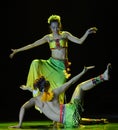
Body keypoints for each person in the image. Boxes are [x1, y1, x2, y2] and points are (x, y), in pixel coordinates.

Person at [9, 14, 98, 107]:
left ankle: (57, 116)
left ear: (60, 25)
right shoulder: (48, 37)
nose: (55, 29)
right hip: (51, 64)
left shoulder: (65, 34)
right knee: (35, 63)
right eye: (53, 27)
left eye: (57, 27)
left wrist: (87, 33)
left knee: (60, 88)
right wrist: (17, 50)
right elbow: (32, 45)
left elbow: (80, 41)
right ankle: (32, 87)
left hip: (62, 66)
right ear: (50, 27)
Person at [9, 63, 111, 128]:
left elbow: (23, 107)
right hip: (71, 111)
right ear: (47, 85)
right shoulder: (54, 92)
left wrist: (19, 124)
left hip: (68, 121)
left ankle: (97, 121)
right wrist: (82, 72)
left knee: (72, 117)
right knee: (79, 87)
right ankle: (102, 77)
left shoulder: (35, 100)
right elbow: (71, 82)